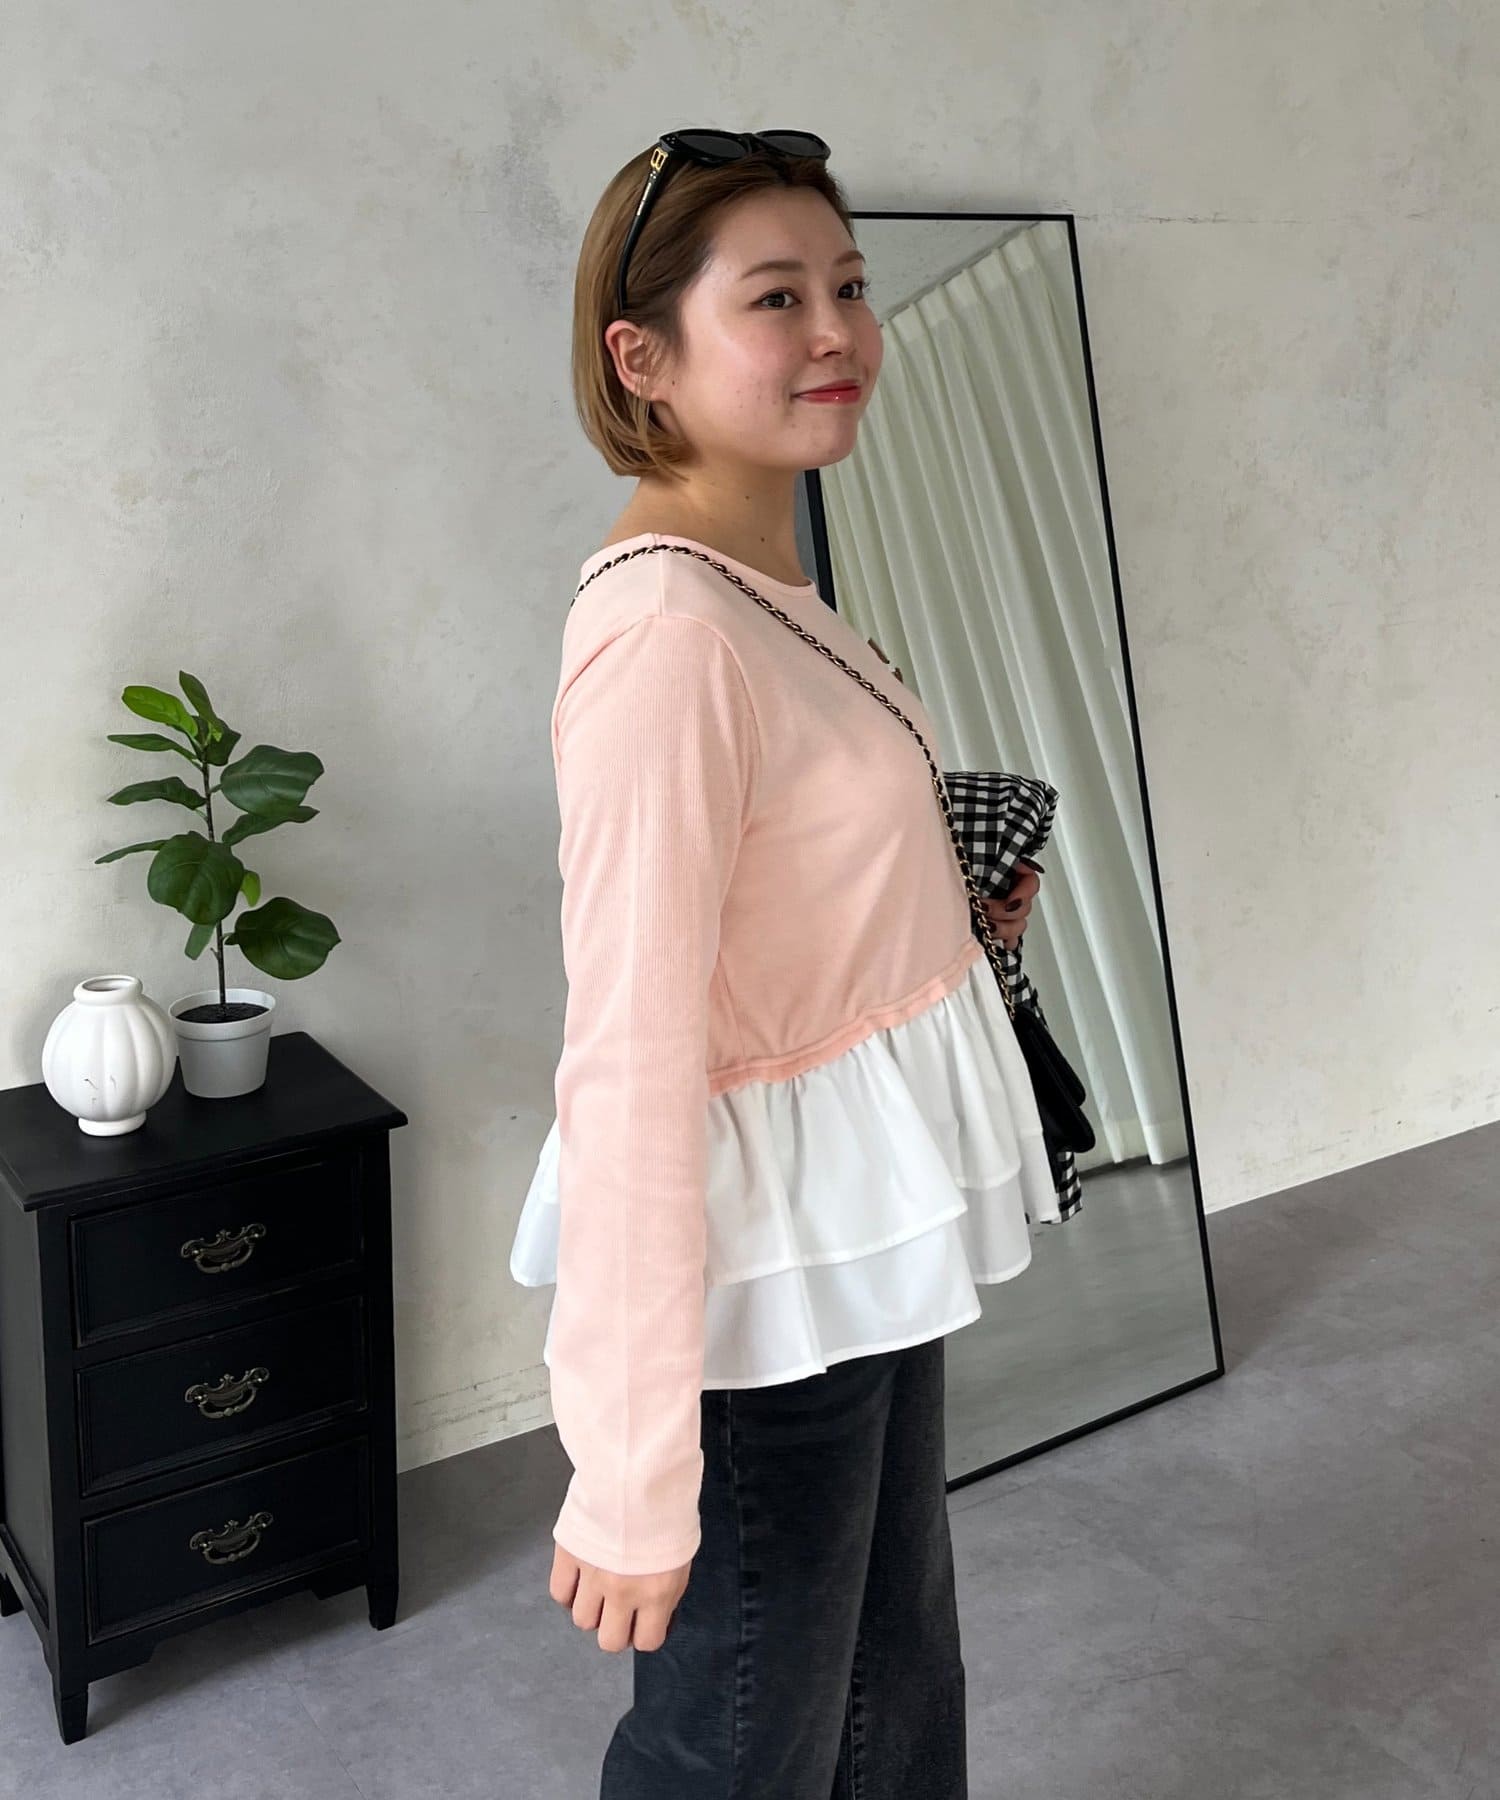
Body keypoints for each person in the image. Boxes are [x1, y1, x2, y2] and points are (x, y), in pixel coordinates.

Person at [516, 128, 1048, 1800]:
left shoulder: (759, 585)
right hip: (759, 1284)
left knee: (894, 1686)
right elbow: (628, 1059)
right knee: (744, 1747)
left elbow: (783, 898)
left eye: (850, 285)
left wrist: (944, 917)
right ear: (643, 359)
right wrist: (627, 1473)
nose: (838, 331)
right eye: (775, 298)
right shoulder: (666, 637)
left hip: (854, 1231)